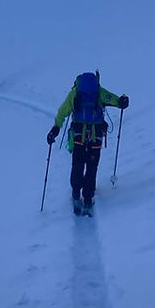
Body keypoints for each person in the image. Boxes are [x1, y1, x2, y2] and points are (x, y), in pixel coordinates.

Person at [47, 71, 129, 216]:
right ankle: (88, 199)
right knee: (92, 168)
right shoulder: (99, 92)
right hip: (95, 137)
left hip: (79, 137)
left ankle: (76, 195)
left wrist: (56, 128)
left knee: (77, 165)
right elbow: (116, 101)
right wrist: (121, 101)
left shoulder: (75, 93)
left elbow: (62, 111)